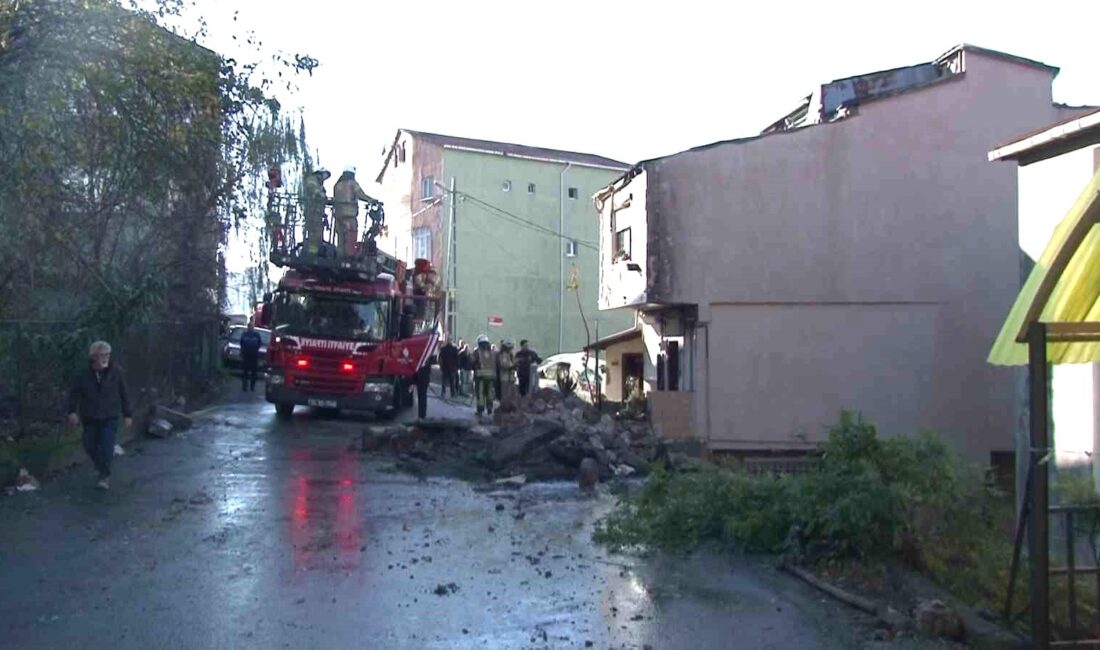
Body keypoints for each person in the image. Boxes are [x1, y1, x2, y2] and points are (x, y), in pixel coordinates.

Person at [66, 341, 133, 490]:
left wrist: (128, 414)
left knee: (107, 445)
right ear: (92, 357)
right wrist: (71, 412)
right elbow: (74, 393)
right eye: (100, 355)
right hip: (90, 416)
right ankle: (101, 467)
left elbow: (124, 392)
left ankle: (104, 476)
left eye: (107, 355)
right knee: (89, 444)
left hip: (110, 415)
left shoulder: (116, 371)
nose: (104, 358)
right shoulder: (83, 373)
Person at [331, 166, 378, 256]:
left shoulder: (337, 185)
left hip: (338, 215)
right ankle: (349, 256)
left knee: (340, 238)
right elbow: (361, 194)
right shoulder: (352, 183)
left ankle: (340, 257)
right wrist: (371, 200)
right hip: (349, 215)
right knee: (350, 235)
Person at [302, 168, 330, 255]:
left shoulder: (319, 183)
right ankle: (312, 252)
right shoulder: (312, 179)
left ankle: (316, 250)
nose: (325, 178)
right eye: (325, 175)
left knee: (318, 232)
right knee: (314, 233)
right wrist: (319, 193)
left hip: (318, 212)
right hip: (312, 210)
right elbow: (311, 187)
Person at [471, 335, 496, 417]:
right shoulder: (492, 352)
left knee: (480, 393)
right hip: (491, 377)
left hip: (480, 376)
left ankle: (480, 410)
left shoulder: (477, 352)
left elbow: (472, 362)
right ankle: (489, 409)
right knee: (489, 393)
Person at [239, 320, 263, 392]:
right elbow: (241, 343)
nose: (251, 328)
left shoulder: (256, 335)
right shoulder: (244, 334)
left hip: (254, 355)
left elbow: (259, 343)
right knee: (245, 372)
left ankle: (252, 386)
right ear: (248, 327)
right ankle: (245, 386)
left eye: (252, 326)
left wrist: (255, 350)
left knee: (254, 372)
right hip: (246, 355)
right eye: (250, 326)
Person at [497, 339, 517, 405]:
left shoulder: (510, 354)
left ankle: (509, 406)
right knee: (505, 394)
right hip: (505, 377)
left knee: (511, 393)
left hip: (511, 377)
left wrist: (515, 364)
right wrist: (512, 366)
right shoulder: (503, 355)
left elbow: (513, 362)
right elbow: (504, 364)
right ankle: (504, 406)